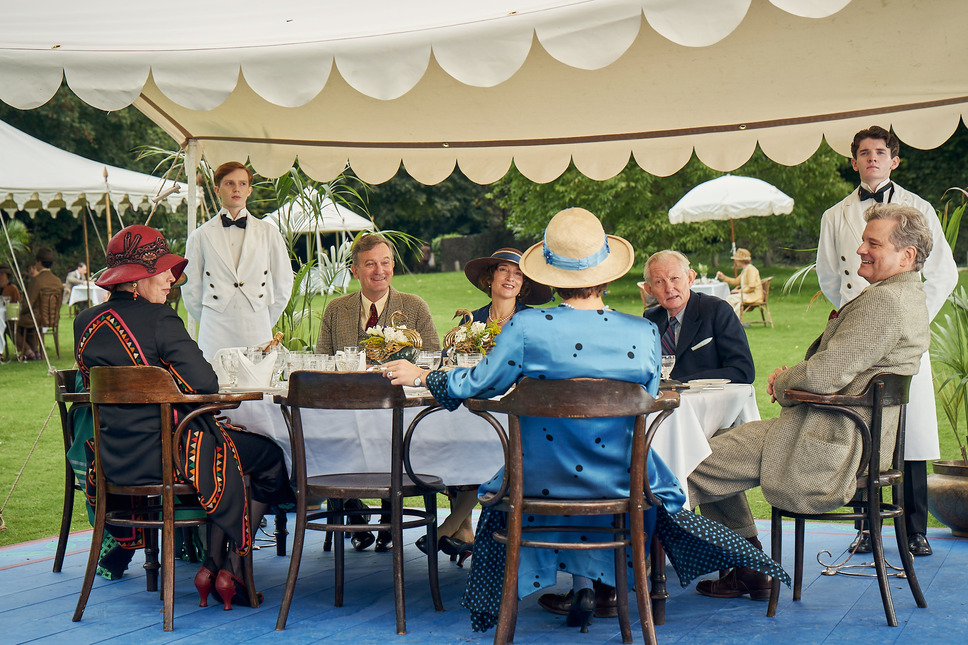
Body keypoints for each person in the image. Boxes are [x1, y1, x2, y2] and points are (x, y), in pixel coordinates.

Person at [383, 208, 785, 633]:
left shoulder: (526, 327)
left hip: (536, 484)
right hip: (621, 485)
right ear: (606, 275)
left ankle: (559, 592)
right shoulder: (642, 333)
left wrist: (424, 376)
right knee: (641, 483)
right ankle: (606, 587)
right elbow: (646, 397)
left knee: (506, 495)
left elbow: (479, 383)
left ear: (552, 277)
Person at [690, 203, 932, 601]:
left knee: (685, 460)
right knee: (706, 454)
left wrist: (784, 383)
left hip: (823, 443)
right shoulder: (909, 297)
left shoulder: (885, 303)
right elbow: (836, 370)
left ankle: (639, 571)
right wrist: (799, 380)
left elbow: (822, 376)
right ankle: (748, 565)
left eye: (873, 243)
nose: (860, 249)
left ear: (906, 256)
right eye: (863, 241)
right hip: (843, 437)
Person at [73, 225, 295, 609]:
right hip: (172, 457)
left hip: (113, 460)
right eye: (162, 271)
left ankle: (216, 565)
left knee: (234, 452)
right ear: (135, 279)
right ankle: (228, 567)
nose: (171, 279)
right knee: (269, 457)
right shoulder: (160, 319)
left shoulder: (85, 323)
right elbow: (206, 383)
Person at [817, 126, 957, 557]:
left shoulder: (920, 207)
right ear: (854, 162)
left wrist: (911, 318)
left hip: (904, 335)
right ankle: (866, 526)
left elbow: (944, 272)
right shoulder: (834, 215)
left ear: (894, 160)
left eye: (880, 152)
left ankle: (915, 529)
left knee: (910, 432)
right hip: (859, 336)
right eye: (864, 152)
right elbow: (829, 276)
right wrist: (857, 319)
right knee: (863, 428)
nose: (872, 158)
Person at [414, 248, 553, 564]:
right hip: (469, 407)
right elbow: (450, 365)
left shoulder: (532, 321)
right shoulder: (470, 320)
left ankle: (449, 528)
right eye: (504, 270)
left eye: (518, 274)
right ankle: (463, 532)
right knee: (455, 439)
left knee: (492, 443)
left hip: (515, 411)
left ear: (524, 284)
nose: (510, 278)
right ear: (490, 278)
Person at [315, 232, 441, 552]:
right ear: (355, 271)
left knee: (395, 438)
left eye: (385, 262)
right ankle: (353, 508)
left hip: (400, 412)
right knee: (325, 435)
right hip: (345, 413)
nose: (379, 270)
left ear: (393, 266)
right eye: (370, 264)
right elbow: (321, 363)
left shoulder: (414, 306)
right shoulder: (336, 309)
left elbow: (433, 360)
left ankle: (390, 511)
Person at [182, 161, 294, 361]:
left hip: (257, 325)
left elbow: (283, 283)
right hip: (215, 328)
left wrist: (263, 318)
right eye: (229, 183)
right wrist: (210, 317)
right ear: (217, 189)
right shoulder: (200, 236)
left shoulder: (269, 233)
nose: (236, 189)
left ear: (249, 190)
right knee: (214, 377)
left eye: (242, 184)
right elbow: (191, 289)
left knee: (257, 377)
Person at [643, 250, 754, 384]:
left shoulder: (717, 311)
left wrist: (679, 383)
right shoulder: (651, 319)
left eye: (674, 278)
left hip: (707, 397)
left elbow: (742, 371)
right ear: (649, 289)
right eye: (659, 282)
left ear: (690, 278)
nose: (669, 288)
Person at [17, 247, 62, 360]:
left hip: (37, 319)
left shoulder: (37, 280)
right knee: (27, 322)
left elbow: (28, 304)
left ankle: (28, 350)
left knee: (12, 323)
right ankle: (35, 350)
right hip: (52, 318)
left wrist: (19, 311)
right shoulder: (58, 281)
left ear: (39, 262)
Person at [717, 248, 763, 319]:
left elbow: (751, 287)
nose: (735, 261)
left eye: (736, 259)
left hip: (753, 296)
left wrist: (739, 291)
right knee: (732, 299)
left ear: (741, 260)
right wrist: (724, 277)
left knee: (730, 298)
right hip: (747, 294)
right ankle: (731, 319)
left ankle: (730, 319)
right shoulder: (745, 270)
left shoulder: (751, 269)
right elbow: (736, 281)